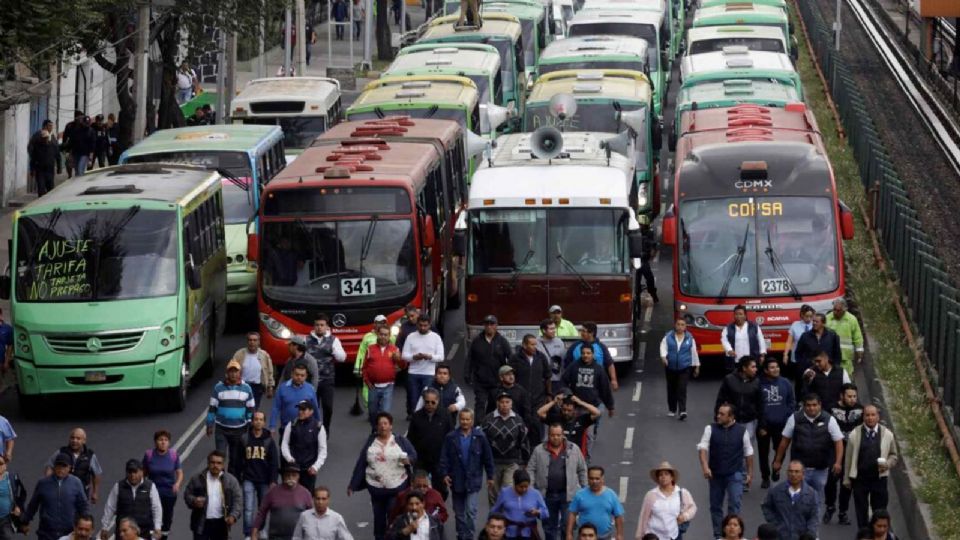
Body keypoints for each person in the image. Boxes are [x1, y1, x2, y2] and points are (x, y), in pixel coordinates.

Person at [771, 393, 844, 518]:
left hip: (820, 470)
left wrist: (838, 462)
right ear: (804, 406)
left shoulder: (829, 420)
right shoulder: (794, 418)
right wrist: (778, 461)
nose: (811, 408)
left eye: (814, 405)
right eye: (808, 405)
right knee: (798, 500)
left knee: (816, 501)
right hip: (799, 470)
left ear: (820, 405)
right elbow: (784, 442)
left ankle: (812, 532)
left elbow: (838, 442)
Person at [348, 412, 417, 540]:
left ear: (391, 426)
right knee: (378, 519)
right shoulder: (371, 443)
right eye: (380, 424)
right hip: (376, 490)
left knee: (392, 515)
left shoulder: (400, 441)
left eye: (385, 423)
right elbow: (361, 463)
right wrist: (353, 484)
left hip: (396, 488)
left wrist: (408, 460)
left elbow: (413, 455)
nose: (383, 426)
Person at [697, 403, 753, 540]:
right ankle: (718, 536)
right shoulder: (710, 428)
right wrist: (705, 466)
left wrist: (750, 473)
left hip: (735, 473)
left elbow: (748, 452)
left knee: (735, 504)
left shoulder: (741, 431)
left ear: (731, 416)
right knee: (716, 506)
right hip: (715, 474)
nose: (718, 416)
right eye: (718, 413)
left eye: (722, 414)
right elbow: (703, 447)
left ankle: (735, 535)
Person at [439, 409, 495, 540]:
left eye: (467, 419)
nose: (465, 422)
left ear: (472, 420)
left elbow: (488, 458)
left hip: (473, 480)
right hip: (456, 480)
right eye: (462, 419)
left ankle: (469, 536)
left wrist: (491, 476)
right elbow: (444, 458)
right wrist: (444, 474)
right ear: (459, 420)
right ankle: (461, 535)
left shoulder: (480, 437)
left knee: (471, 511)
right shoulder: (451, 437)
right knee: (459, 513)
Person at [526, 424, 587, 540]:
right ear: (548, 435)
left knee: (567, 525)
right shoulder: (539, 450)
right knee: (549, 526)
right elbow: (531, 469)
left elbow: (582, 469)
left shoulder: (573, 449)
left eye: (558, 435)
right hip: (547, 495)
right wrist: (531, 490)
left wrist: (584, 489)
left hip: (568, 495)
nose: (555, 438)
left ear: (563, 435)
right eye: (553, 435)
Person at [843, 405, 897, 529]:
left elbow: (894, 456)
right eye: (867, 415)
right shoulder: (854, 434)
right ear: (863, 417)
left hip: (879, 479)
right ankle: (864, 535)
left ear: (878, 417)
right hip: (860, 479)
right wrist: (846, 478)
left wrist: (887, 465)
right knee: (861, 511)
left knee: (879, 511)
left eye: (873, 415)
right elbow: (848, 458)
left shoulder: (887, 434)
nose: (870, 418)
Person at [715, 355, 764, 482]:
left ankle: (742, 478)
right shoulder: (729, 379)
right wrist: (718, 416)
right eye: (752, 367)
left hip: (750, 421)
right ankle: (733, 474)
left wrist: (763, 424)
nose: (755, 369)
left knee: (745, 450)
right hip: (733, 422)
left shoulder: (757, 382)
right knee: (733, 449)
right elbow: (721, 399)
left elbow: (761, 404)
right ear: (744, 368)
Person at [561, 347, 614, 460]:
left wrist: (610, 406)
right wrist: (569, 394)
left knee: (589, 436)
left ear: (593, 354)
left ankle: (586, 459)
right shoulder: (574, 366)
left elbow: (605, 389)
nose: (585, 355)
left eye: (588, 353)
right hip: (575, 408)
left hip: (590, 407)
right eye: (583, 353)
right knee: (572, 432)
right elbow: (564, 381)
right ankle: (569, 456)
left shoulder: (599, 369)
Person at [21, 452, 89, 540]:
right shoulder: (43, 483)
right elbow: (33, 505)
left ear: (70, 468)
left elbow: (83, 505)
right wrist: (25, 521)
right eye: (58, 465)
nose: (60, 469)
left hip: (68, 532)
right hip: (46, 533)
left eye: (64, 466)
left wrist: (86, 525)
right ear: (54, 467)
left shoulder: (76, 483)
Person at [206, 360, 255, 478]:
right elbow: (212, 407)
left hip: (239, 429)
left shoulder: (246, 388)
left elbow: (250, 408)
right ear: (227, 373)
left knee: (235, 458)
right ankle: (219, 480)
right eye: (231, 371)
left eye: (235, 371)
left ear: (240, 373)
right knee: (220, 456)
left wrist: (249, 423)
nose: (233, 374)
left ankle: (232, 481)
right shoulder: (218, 388)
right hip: (221, 429)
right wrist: (209, 424)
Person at [824, 383, 863, 525]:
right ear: (842, 396)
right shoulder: (831, 409)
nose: (853, 399)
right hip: (833, 450)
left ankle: (843, 512)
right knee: (831, 479)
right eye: (849, 396)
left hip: (852, 451)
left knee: (847, 483)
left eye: (854, 396)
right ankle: (829, 506)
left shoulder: (861, 410)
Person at [183, 450, 242, 540]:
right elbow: (187, 494)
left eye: (219, 463)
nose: (215, 465)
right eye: (213, 462)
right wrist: (194, 501)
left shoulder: (231, 481)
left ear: (223, 465)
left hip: (221, 523)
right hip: (201, 523)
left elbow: (238, 500)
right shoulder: (197, 479)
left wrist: (233, 516)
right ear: (208, 463)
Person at [482, 391, 528, 505]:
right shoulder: (488, 419)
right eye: (502, 402)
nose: (504, 404)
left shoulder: (518, 420)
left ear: (511, 404)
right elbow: (482, 441)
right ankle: (493, 519)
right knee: (493, 494)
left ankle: (506, 520)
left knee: (507, 493)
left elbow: (524, 440)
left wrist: (525, 460)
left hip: (511, 463)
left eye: (507, 402)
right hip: (493, 463)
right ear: (497, 403)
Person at [407, 388, 453, 500]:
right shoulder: (416, 416)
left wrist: (449, 458)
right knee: (419, 488)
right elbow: (410, 438)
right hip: (421, 460)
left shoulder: (445, 415)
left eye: (433, 402)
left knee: (441, 489)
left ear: (438, 401)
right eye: (427, 402)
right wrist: (411, 457)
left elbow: (451, 437)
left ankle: (437, 511)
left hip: (439, 460)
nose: (430, 405)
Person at [239, 411, 279, 538]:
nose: (258, 421)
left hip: (264, 479)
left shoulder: (268, 440)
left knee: (262, 509)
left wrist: (273, 480)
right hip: (248, 478)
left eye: (261, 419)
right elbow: (237, 459)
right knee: (248, 508)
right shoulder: (245, 438)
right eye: (256, 419)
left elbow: (274, 462)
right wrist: (238, 475)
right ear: (252, 421)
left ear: (264, 422)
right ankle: (248, 533)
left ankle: (261, 530)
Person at [98, 459, 161, 540]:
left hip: (143, 531)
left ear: (141, 472)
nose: (132, 475)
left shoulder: (150, 487)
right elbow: (110, 507)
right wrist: (105, 527)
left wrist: (157, 527)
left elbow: (156, 508)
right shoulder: (118, 487)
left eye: (135, 472)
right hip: (122, 533)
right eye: (130, 472)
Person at [757, 358, 795, 490]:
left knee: (781, 450)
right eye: (772, 367)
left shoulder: (785, 383)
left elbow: (791, 402)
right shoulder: (759, 384)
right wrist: (761, 425)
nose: (775, 369)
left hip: (782, 425)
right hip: (764, 426)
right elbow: (756, 406)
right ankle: (765, 477)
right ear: (766, 370)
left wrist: (786, 417)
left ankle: (776, 467)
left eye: (777, 367)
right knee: (763, 453)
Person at [636, 461, 697, 540]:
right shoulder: (651, 495)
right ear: (658, 478)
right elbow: (643, 516)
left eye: (666, 474)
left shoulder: (681, 493)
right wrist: (639, 536)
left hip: (673, 536)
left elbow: (693, 508)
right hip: (654, 535)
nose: (663, 477)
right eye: (660, 475)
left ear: (672, 477)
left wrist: (684, 516)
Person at [250, 464, 312, 540]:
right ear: (283, 476)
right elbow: (261, 513)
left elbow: (312, 515)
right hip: (276, 537)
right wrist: (254, 533)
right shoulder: (272, 492)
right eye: (288, 475)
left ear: (298, 476)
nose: (290, 477)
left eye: (294, 475)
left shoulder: (305, 493)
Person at [307, 315, 346, 435]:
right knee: (312, 407)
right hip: (311, 381)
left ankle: (326, 428)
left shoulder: (333, 340)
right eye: (317, 325)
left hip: (327, 379)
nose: (319, 328)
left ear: (327, 327)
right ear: (314, 326)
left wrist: (334, 351)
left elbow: (342, 358)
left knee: (328, 407)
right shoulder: (306, 340)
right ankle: (312, 429)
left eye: (322, 325)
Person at [467, 315, 514, 416]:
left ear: (496, 326)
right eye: (487, 324)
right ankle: (478, 426)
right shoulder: (477, 341)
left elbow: (511, 359)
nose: (489, 326)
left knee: (493, 405)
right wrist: (467, 374)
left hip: (496, 381)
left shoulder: (502, 341)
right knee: (480, 404)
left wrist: (509, 376)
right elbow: (470, 359)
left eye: (492, 324)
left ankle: (488, 426)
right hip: (480, 381)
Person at [760, 460, 818, 540]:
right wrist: (775, 524)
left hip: (800, 536)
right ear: (787, 473)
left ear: (803, 474)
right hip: (780, 536)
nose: (793, 474)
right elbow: (766, 506)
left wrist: (810, 534)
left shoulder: (811, 494)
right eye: (791, 471)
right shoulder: (776, 490)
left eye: (797, 472)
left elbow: (814, 516)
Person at [402, 316, 445, 422]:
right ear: (417, 325)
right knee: (413, 400)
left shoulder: (436, 337)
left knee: (427, 400)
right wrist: (414, 357)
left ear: (429, 325)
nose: (422, 328)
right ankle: (416, 420)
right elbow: (404, 355)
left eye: (425, 325)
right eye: (420, 325)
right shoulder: (411, 336)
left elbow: (441, 356)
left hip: (429, 374)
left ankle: (426, 420)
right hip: (413, 373)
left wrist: (429, 357)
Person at [362, 325, 404, 427]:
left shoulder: (395, 349)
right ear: (377, 334)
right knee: (372, 413)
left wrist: (399, 359)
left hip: (388, 387)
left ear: (389, 336)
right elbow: (365, 367)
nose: (383, 337)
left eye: (386, 335)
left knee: (385, 413)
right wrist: (367, 381)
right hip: (373, 387)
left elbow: (403, 366)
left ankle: (383, 433)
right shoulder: (370, 349)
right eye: (381, 334)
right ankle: (374, 430)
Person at [44, 428, 102, 503]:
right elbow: (50, 466)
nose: (74, 441)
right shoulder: (61, 452)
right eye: (72, 438)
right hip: (62, 493)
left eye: (78, 438)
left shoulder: (90, 455)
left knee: (81, 513)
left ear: (84, 441)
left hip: (81, 494)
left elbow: (97, 473)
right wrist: (48, 483)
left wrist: (95, 492)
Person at [281, 400, 328, 493]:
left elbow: (323, 449)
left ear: (311, 411)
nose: (300, 412)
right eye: (299, 409)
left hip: (309, 469)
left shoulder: (318, 427)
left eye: (303, 409)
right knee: (291, 495)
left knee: (307, 496)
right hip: (294, 468)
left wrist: (315, 467)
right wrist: (289, 459)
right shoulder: (292, 424)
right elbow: (284, 443)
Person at [142, 430, 182, 539]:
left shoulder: (173, 455)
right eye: (160, 440)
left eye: (166, 440)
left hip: (169, 493)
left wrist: (177, 484)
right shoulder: (149, 455)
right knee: (152, 517)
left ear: (169, 442)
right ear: (155, 442)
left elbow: (179, 472)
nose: (163, 442)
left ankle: (163, 537)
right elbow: (143, 473)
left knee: (166, 518)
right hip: (153, 492)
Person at [565, 466, 624, 540]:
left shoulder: (611, 495)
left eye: (597, 478)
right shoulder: (580, 495)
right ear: (588, 479)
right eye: (591, 478)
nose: (594, 481)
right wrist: (569, 534)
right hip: (585, 536)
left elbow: (618, 516)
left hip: (604, 536)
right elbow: (572, 514)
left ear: (602, 479)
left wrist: (620, 535)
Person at [659, 318, 700, 420]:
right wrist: (664, 358)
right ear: (675, 325)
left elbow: (694, 352)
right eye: (678, 324)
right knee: (671, 388)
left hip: (684, 367)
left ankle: (682, 411)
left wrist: (697, 366)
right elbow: (663, 347)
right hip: (671, 367)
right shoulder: (668, 337)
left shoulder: (690, 338)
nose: (680, 327)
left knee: (682, 389)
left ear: (685, 327)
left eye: (682, 325)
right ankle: (672, 409)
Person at [490, 469, 548, 539]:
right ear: (515, 483)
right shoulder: (505, 492)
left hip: (529, 534)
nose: (524, 489)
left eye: (526, 486)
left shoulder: (535, 493)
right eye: (521, 487)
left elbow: (546, 512)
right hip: (509, 534)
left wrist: (538, 512)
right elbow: (494, 511)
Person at [793, 314, 842, 391]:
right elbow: (798, 353)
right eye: (813, 321)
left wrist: (835, 368)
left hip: (826, 372)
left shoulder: (832, 336)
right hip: (810, 371)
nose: (814, 323)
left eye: (817, 322)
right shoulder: (805, 336)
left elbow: (837, 354)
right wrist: (803, 367)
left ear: (823, 323)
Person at [563, 323, 618, 391]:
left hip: (597, 384)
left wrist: (613, 380)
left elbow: (610, 364)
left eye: (583, 331)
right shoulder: (574, 346)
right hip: (578, 385)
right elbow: (567, 365)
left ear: (591, 333)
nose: (581, 333)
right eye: (581, 331)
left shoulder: (601, 347)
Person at [270, 362, 321, 432]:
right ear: (292, 374)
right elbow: (276, 408)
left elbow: (315, 407)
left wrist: (318, 422)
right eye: (297, 374)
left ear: (306, 376)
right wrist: (272, 426)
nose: (299, 377)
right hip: (286, 428)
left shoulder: (311, 389)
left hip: (305, 429)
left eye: (302, 375)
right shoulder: (282, 388)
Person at [509, 334, 552, 411]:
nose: (535, 347)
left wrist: (549, 394)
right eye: (532, 345)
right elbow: (510, 377)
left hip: (538, 398)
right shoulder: (514, 358)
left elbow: (547, 377)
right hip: (520, 397)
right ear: (524, 345)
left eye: (536, 344)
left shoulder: (541, 357)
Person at [231, 332, 274, 409]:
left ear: (259, 342)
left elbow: (269, 372)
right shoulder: (239, 354)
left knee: (254, 409)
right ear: (247, 342)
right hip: (242, 386)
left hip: (257, 387)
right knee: (241, 408)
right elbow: (231, 369)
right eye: (250, 340)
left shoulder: (264, 355)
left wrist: (270, 387)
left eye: (255, 340)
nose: (252, 342)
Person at [825, 298, 864, 376]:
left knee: (846, 379)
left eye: (838, 310)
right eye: (834, 309)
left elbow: (857, 337)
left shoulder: (851, 320)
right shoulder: (827, 318)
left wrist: (859, 352)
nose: (835, 312)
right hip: (830, 356)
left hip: (845, 358)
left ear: (845, 310)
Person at [721, 305, 766, 372]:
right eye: (736, 314)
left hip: (751, 359)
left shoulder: (754, 326)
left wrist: (762, 355)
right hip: (736, 360)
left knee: (751, 379)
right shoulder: (728, 328)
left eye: (741, 314)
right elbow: (724, 340)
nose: (738, 316)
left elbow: (761, 340)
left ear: (745, 315)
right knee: (737, 379)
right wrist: (729, 349)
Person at [353, 314, 395, 379]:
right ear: (374, 324)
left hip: (385, 370)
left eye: (383, 323)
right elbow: (361, 353)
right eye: (379, 323)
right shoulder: (367, 336)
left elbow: (394, 352)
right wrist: (358, 368)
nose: (381, 325)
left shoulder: (391, 337)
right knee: (367, 388)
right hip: (369, 369)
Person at [782, 306, 814, 382]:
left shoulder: (815, 325)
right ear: (802, 315)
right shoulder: (795, 325)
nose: (809, 319)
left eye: (811, 316)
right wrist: (785, 354)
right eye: (807, 316)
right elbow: (789, 342)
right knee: (799, 381)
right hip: (797, 359)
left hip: (811, 359)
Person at [29, 129, 61, 196]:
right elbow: (33, 159)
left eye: (46, 138)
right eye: (43, 138)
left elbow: (58, 157)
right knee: (41, 188)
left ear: (48, 138)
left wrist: (59, 168)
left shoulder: (53, 146)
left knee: (50, 189)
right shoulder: (37, 146)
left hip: (50, 170)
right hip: (40, 170)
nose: (45, 139)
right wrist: (32, 170)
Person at [0, 456, 25, 540]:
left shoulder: (12, 477)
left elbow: (23, 492)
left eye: (1, 464)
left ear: (5, 465)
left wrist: (18, 506)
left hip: (5, 519)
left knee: (7, 537)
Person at [537, 319, 568, 384]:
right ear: (544, 330)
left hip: (557, 379)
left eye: (554, 328)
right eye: (551, 329)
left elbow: (564, 360)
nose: (554, 331)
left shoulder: (559, 342)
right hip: (541, 380)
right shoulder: (536, 343)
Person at [638, 223, 659, 303]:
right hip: (635, 260)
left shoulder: (648, 233)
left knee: (650, 279)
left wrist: (652, 252)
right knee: (635, 281)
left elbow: (653, 245)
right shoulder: (632, 231)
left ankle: (653, 294)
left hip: (643, 260)